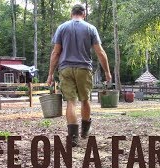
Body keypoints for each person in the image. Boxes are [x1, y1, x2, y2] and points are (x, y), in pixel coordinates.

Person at [46, 4, 111, 147]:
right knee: (85, 100)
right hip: (84, 69)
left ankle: (73, 138)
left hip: (65, 69)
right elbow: (100, 52)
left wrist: (50, 74)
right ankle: (85, 133)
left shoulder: (62, 28)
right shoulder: (90, 28)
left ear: (71, 14)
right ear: (84, 14)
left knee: (71, 102)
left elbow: (55, 53)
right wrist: (107, 71)